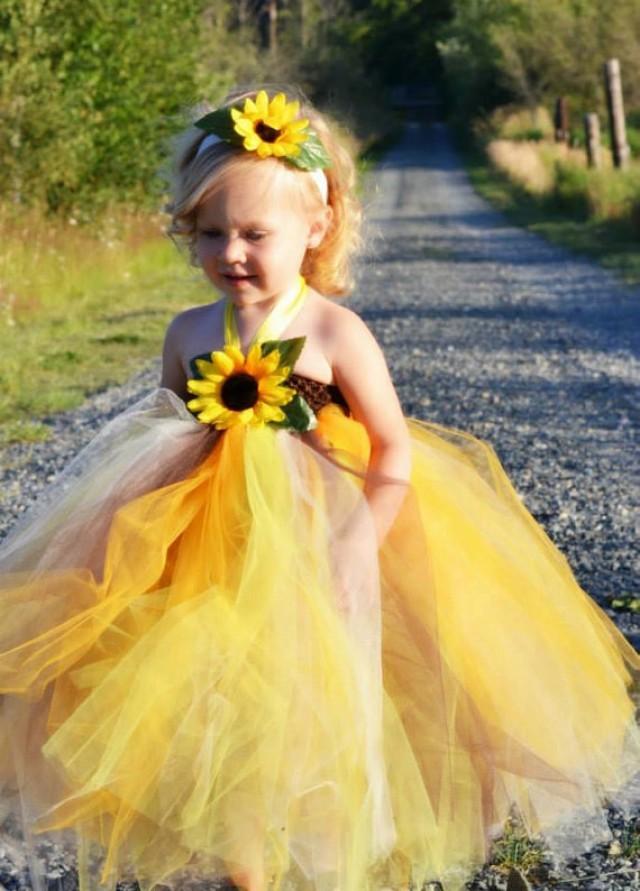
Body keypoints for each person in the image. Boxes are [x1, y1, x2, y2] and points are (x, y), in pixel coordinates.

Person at [0, 85, 639, 891]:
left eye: (254, 234)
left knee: (314, 708)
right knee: (221, 707)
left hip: (318, 544)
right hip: (212, 549)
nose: (232, 253)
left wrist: (358, 533)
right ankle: (246, 872)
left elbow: (394, 449)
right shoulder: (188, 333)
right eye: (210, 234)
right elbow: (157, 431)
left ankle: (326, 860)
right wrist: (125, 534)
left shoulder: (337, 333)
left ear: (318, 225)